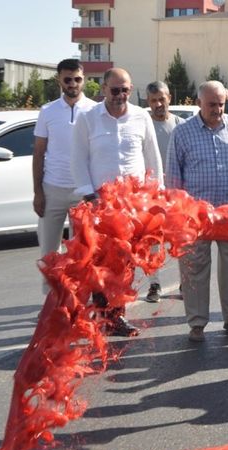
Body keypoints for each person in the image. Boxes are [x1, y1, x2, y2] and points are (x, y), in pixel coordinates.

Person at [70, 67, 163, 337]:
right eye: (115, 90)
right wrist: (89, 196)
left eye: (125, 90)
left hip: (133, 206)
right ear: (103, 90)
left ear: (131, 90)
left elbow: (153, 158)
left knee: (126, 263)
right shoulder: (88, 118)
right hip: (99, 204)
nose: (120, 95)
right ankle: (101, 314)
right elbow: (78, 159)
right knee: (99, 263)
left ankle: (115, 316)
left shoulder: (141, 117)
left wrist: (155, 195)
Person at [165, 81, 228, 343]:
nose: (217, 109)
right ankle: (197, 323)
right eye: (212, 104)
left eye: (221, 104)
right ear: (199, 104)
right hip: (195, 215)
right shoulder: (183, 132)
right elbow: (173, 175)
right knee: (194, 269)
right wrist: (176, 213)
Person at [32, 59, 96, 293]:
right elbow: (39, 153)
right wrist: (38, 193)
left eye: (77, 79)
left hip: (83, 193)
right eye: (67, 79)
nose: (72, 84)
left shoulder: (94, 110)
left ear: (84, 80)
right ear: (59, 79)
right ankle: (52, 305)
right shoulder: (47, 111)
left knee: (82, 254)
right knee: (49, 254)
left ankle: (78, 304)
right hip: (52, 190)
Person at [144, 80, 184, 303]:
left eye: (162, 99)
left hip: (177, 195)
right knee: (153, 242)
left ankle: (184, 283)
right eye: (153, 101)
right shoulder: (144, 124)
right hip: (151, 196)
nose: (158, 104)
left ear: (169, 98)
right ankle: (154, 285)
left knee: (180, 240)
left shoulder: (181, 125)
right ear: (148, 102)